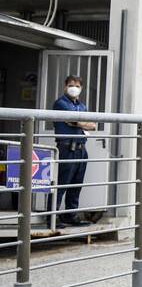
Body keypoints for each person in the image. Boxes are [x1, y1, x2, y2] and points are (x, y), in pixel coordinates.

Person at [52, 75, 97, 226]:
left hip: (81, 149)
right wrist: (81, 123)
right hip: (66, 148)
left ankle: (70, 216)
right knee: (61, 184)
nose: (74, 88)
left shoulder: (82, 106)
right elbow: (72, 120)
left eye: (77, 86)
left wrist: (79, 123)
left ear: (81, 89)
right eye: (71, 85)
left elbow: (93, 125)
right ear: (65, 87)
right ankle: (51, 216)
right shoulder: (60, 103)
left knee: (76, 184)